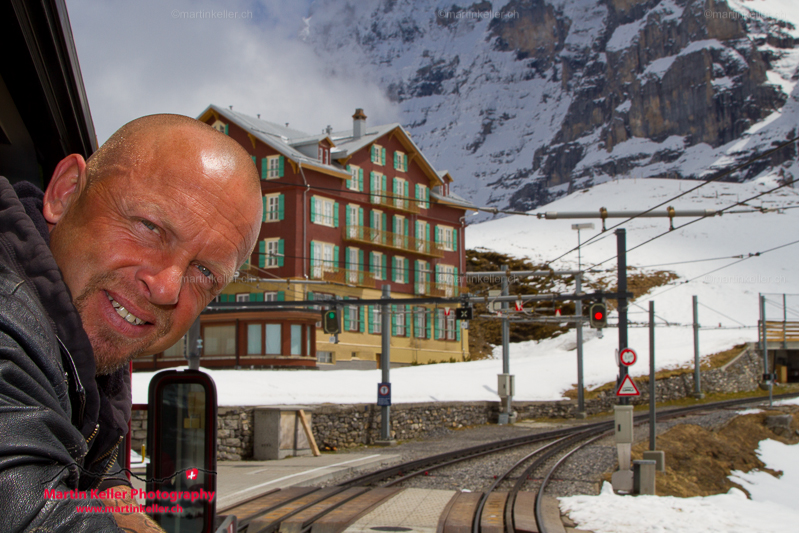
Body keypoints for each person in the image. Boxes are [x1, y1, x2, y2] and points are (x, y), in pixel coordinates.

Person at [0, 114, 262, 531]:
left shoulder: (85, 354)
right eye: (149, 227)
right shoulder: (9, 318)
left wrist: (115, 494)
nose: (166, 288)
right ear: (65, 193)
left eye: (205, 272)